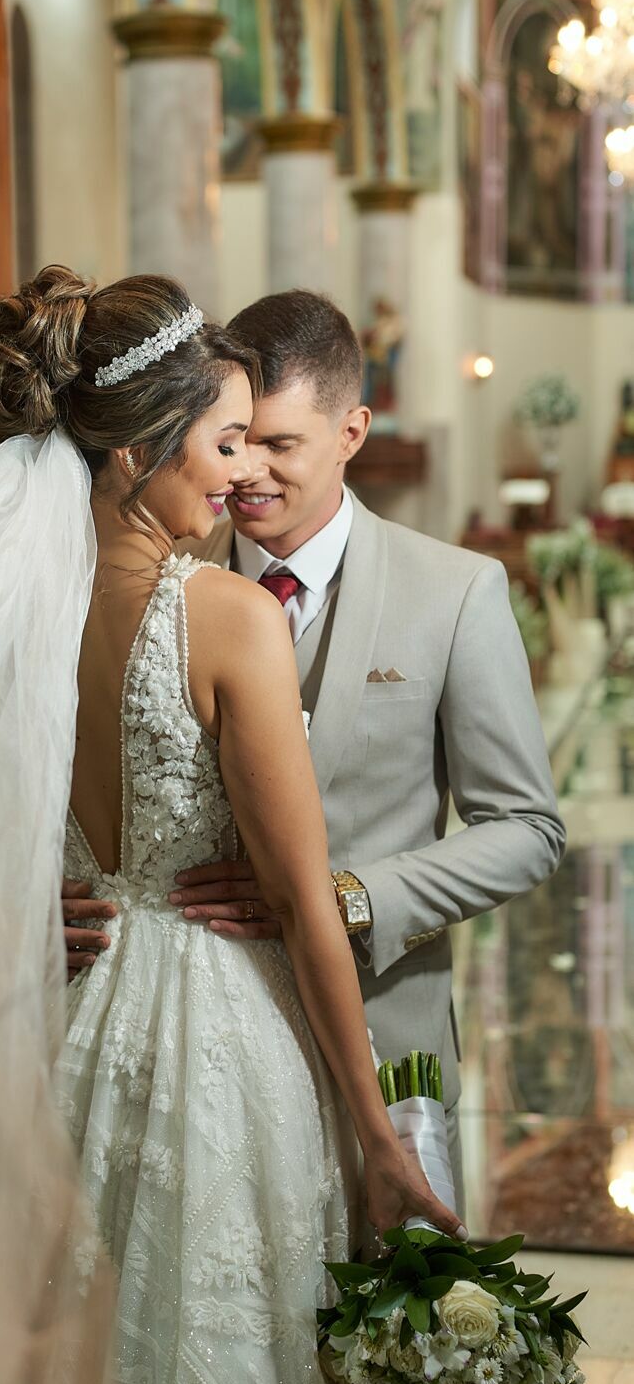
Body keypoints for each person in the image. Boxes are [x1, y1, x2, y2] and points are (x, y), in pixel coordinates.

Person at [0, 268, 499, 1384]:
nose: (237, 477)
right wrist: (377, 1139)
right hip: (220, 1044)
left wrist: (28, 910)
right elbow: (303, 905)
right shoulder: (223, 618)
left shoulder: (12, 612)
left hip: (71, 1025)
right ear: (135, 452)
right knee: (234, 1378)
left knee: (87, 1379)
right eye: (220, 442)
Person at [69, 289, 565, 1218]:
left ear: (350, 433)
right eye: (232, 440)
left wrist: (347, 898)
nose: (246, 472)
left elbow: (528, 830)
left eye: (279, 444)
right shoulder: (163, 577)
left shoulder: (454, 592)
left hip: (383, 1039)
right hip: (188, 1058)